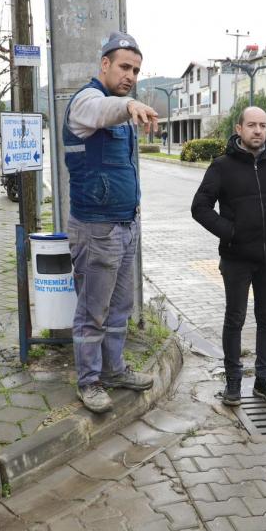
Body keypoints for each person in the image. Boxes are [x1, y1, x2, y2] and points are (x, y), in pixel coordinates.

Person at [62, 32, 159, 413]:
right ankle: (88, 382)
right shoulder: (87, 101)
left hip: (125, 224)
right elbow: (101, 111)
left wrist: (128, 104)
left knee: (120, 309)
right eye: (124, 67)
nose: (131, 75)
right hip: (96, 228)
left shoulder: (120, 107)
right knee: (92, 312)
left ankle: (115, 370)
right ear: (104, 64)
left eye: (136, 70)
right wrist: (129, 104)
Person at [191, 106, 266, 406]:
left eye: (263, 126)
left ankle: (264, 380)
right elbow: (199, 207)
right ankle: (233, 381)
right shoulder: (222, 166)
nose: (258, 131)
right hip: (236, 259)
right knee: (235, 319)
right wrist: (230, 232)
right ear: (238, 128)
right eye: (252, 125)